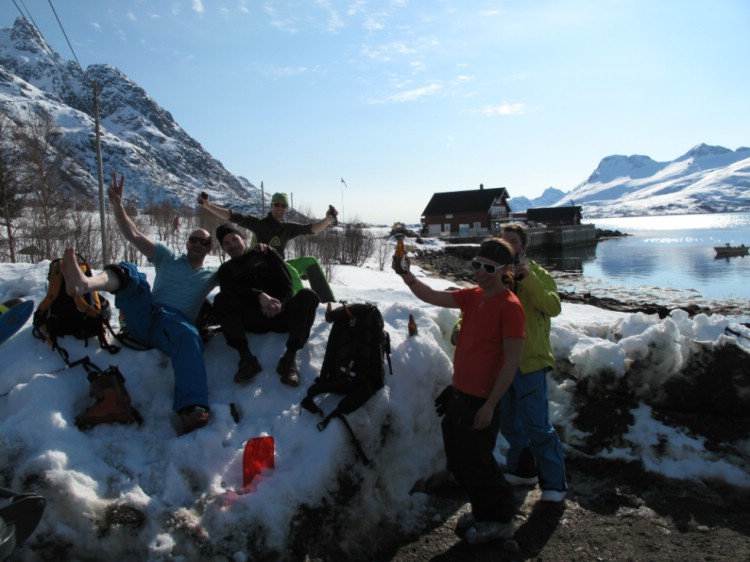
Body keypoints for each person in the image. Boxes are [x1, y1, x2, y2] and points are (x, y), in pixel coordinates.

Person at [61, 173, 218, 434]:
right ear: (187, 242)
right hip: (146, 313)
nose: (198, 244)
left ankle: (192, 409)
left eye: (204, 242)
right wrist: (118, 206)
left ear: (209, 248)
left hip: (175, 324)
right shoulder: (168, 256)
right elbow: (133, 235)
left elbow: (240, 272)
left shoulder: (211, 275)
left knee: (189, 335)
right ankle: (84, 284)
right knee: (131, 272)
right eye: (194, 239)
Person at [395, 238, 525, 545]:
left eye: (488, 268)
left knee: (479, 464)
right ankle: (484, 512)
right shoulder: (472, 296)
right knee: (460, 462)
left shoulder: (510, 307)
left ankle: (500, 521)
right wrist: (406, 275)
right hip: (460, 394)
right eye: (476, 265)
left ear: (505, 270)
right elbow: (431, 295)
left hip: (483, 400)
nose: (480, 272)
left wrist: (491, 405)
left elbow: (511, 362)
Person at [499, 223, 567, 503]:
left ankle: (554, 484)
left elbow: (553, 306)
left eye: (513, 241)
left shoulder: (538, 275)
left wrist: (528, 279)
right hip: (503, 364)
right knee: (511, 424)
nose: (508, 246)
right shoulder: (494, 277)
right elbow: (477, 305)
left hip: (531, 361)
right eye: (503, 241)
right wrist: (460, 326)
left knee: (538, 426)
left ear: (523, 246)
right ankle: (522, 471)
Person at [213, 223, 320, 387]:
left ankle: (289, 360)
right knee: (222, 299)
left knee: (308, 296)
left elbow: (287, 286)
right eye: (226, 243)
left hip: (282, 315)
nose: (232, 245)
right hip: (253, 319)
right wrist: (259, 296)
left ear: (243, 239)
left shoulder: (266, 253)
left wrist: (280, 304)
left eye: (235, 239)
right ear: (223, 248)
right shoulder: (226, 269)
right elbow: (231, 292)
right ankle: (247, 359)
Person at [197, 192, 336, 302]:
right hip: (264, 267)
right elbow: (232, 216)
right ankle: (302, 304)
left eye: (283, 205)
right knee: (290, 271)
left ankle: (328, 301)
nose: (279, 208)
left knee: (310, 261)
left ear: (286, 208)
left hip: (282, 265)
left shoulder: (288, 228)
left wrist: (328, 219)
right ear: (271, 206)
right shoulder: (260, 224)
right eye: (277, 204)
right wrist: (208, 205)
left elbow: (312, 229)